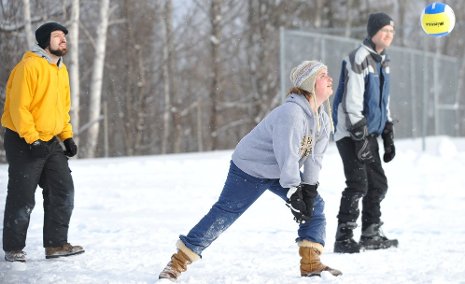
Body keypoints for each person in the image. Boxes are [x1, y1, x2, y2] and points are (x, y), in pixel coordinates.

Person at [158, 60, 342, 281]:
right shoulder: (292, 113)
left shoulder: (322, 117)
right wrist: (295, 191)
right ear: (310, 82)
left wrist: (309, 190)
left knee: (316, 206)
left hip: (280, 170)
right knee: (224, 214)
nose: (330, 78)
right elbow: (288, 156)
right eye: (323, 75)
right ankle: (176, 264)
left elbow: (314, 158)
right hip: (249, 168)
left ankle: (311, 263)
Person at [1, 22, 84, 262]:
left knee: (63, 190)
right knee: (22, 196)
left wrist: (66, 136)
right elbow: (19, 108)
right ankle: (14, 249)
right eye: (58, 36)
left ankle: (56, 245)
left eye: (64, 37)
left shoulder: (61, 69)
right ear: (44, 41)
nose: (63, 40)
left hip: (50, 140)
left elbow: (62, 109)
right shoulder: (28, 67)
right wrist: (32, 139)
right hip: (23, 139)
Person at [332, 12, 399, 253]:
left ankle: (371, 233)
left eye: (391, 31)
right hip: (350, 132)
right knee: (358, 183)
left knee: (378, 184)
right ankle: (344, 237)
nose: (388, 35)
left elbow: (382, 102)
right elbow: (351, 103)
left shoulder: (383, 60)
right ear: (373, 32)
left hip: (368, 132)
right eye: (384, 31)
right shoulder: (358, 58)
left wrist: (387, 133)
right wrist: (359, 138)